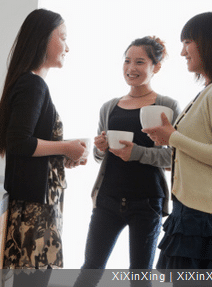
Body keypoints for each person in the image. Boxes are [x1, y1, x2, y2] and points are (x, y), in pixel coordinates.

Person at [0, 8, 87, 287]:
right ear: (42, 38)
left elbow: (27, 144)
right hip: (35, 210)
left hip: (36, 206)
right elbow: (20, 142)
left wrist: (66, 152)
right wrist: (65, 146)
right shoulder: (33, 85)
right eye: (63, 37)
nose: (67, 46)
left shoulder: (31, 83)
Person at [74, 36, 180, 287]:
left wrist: (138, 153)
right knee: (90, 269)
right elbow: (102, 157)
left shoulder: (166, 105)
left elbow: (175, 157)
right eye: (127, 61)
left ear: (156, 66)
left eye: (140, 62)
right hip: (108, 199)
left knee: (139, 276)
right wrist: (100, 148)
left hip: (147, 202)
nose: (131, 68)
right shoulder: (109, 107)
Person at [143, 12, 212, 286]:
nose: (182, 51)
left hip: (205, 221)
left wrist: (173, 138)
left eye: (188, 41)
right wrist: (169, 139)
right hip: (193, 214)